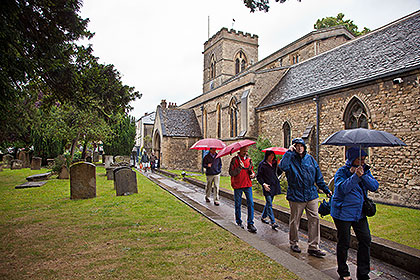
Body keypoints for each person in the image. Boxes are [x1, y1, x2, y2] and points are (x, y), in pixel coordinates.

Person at [331, 147, 379, 280]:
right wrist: (354, 177)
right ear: (352, 159)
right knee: (344, 242)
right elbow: (342, 189)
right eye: (360, 159)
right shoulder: (342, 171)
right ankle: (344, 272)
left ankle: (363, 273)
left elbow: (374, 186)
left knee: (365, 239)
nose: (363, 161)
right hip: (342, 212)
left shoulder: (365, 171)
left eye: (364, 159)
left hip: (359, 213)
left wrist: (362, 176)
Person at [280, 138, 332, 257]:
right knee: (295, 220)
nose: (299, 148)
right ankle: (294, 242)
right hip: (296, 195)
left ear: (304, 147)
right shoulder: (290, 159)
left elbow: (318, 177)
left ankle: (313, 246)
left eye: (301, 146)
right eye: (297, 146)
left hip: (311, 194)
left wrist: (326, 190)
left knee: (315, 219)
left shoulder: (310, 160)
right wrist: (288, 152)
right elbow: (282, 167)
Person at [229, 146, 257, 233]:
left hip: (247, 184)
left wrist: (253, 174)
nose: (246, 153)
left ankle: (250, 223)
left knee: (251, 204)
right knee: (238, 204)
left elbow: (251, 170)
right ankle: (239, 221)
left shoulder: (249, 160)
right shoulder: (234, 160)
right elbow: (231, 172)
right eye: (244, 151)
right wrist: (239, 168)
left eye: (247, 151)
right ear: (240, 150)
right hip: (238, 185)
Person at [257, 150, 282, 229]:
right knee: (269, 204)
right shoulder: (262, 164)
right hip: (267, 186)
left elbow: (278, 173)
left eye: (273, 155)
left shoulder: (274, 164)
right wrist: (263, 184)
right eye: (270, 155)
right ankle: (273, 222)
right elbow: (259, 176)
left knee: (269, 203)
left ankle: (263, 217)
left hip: (274, 186)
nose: (272, 157)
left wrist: (279, 166)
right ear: (267, 156)